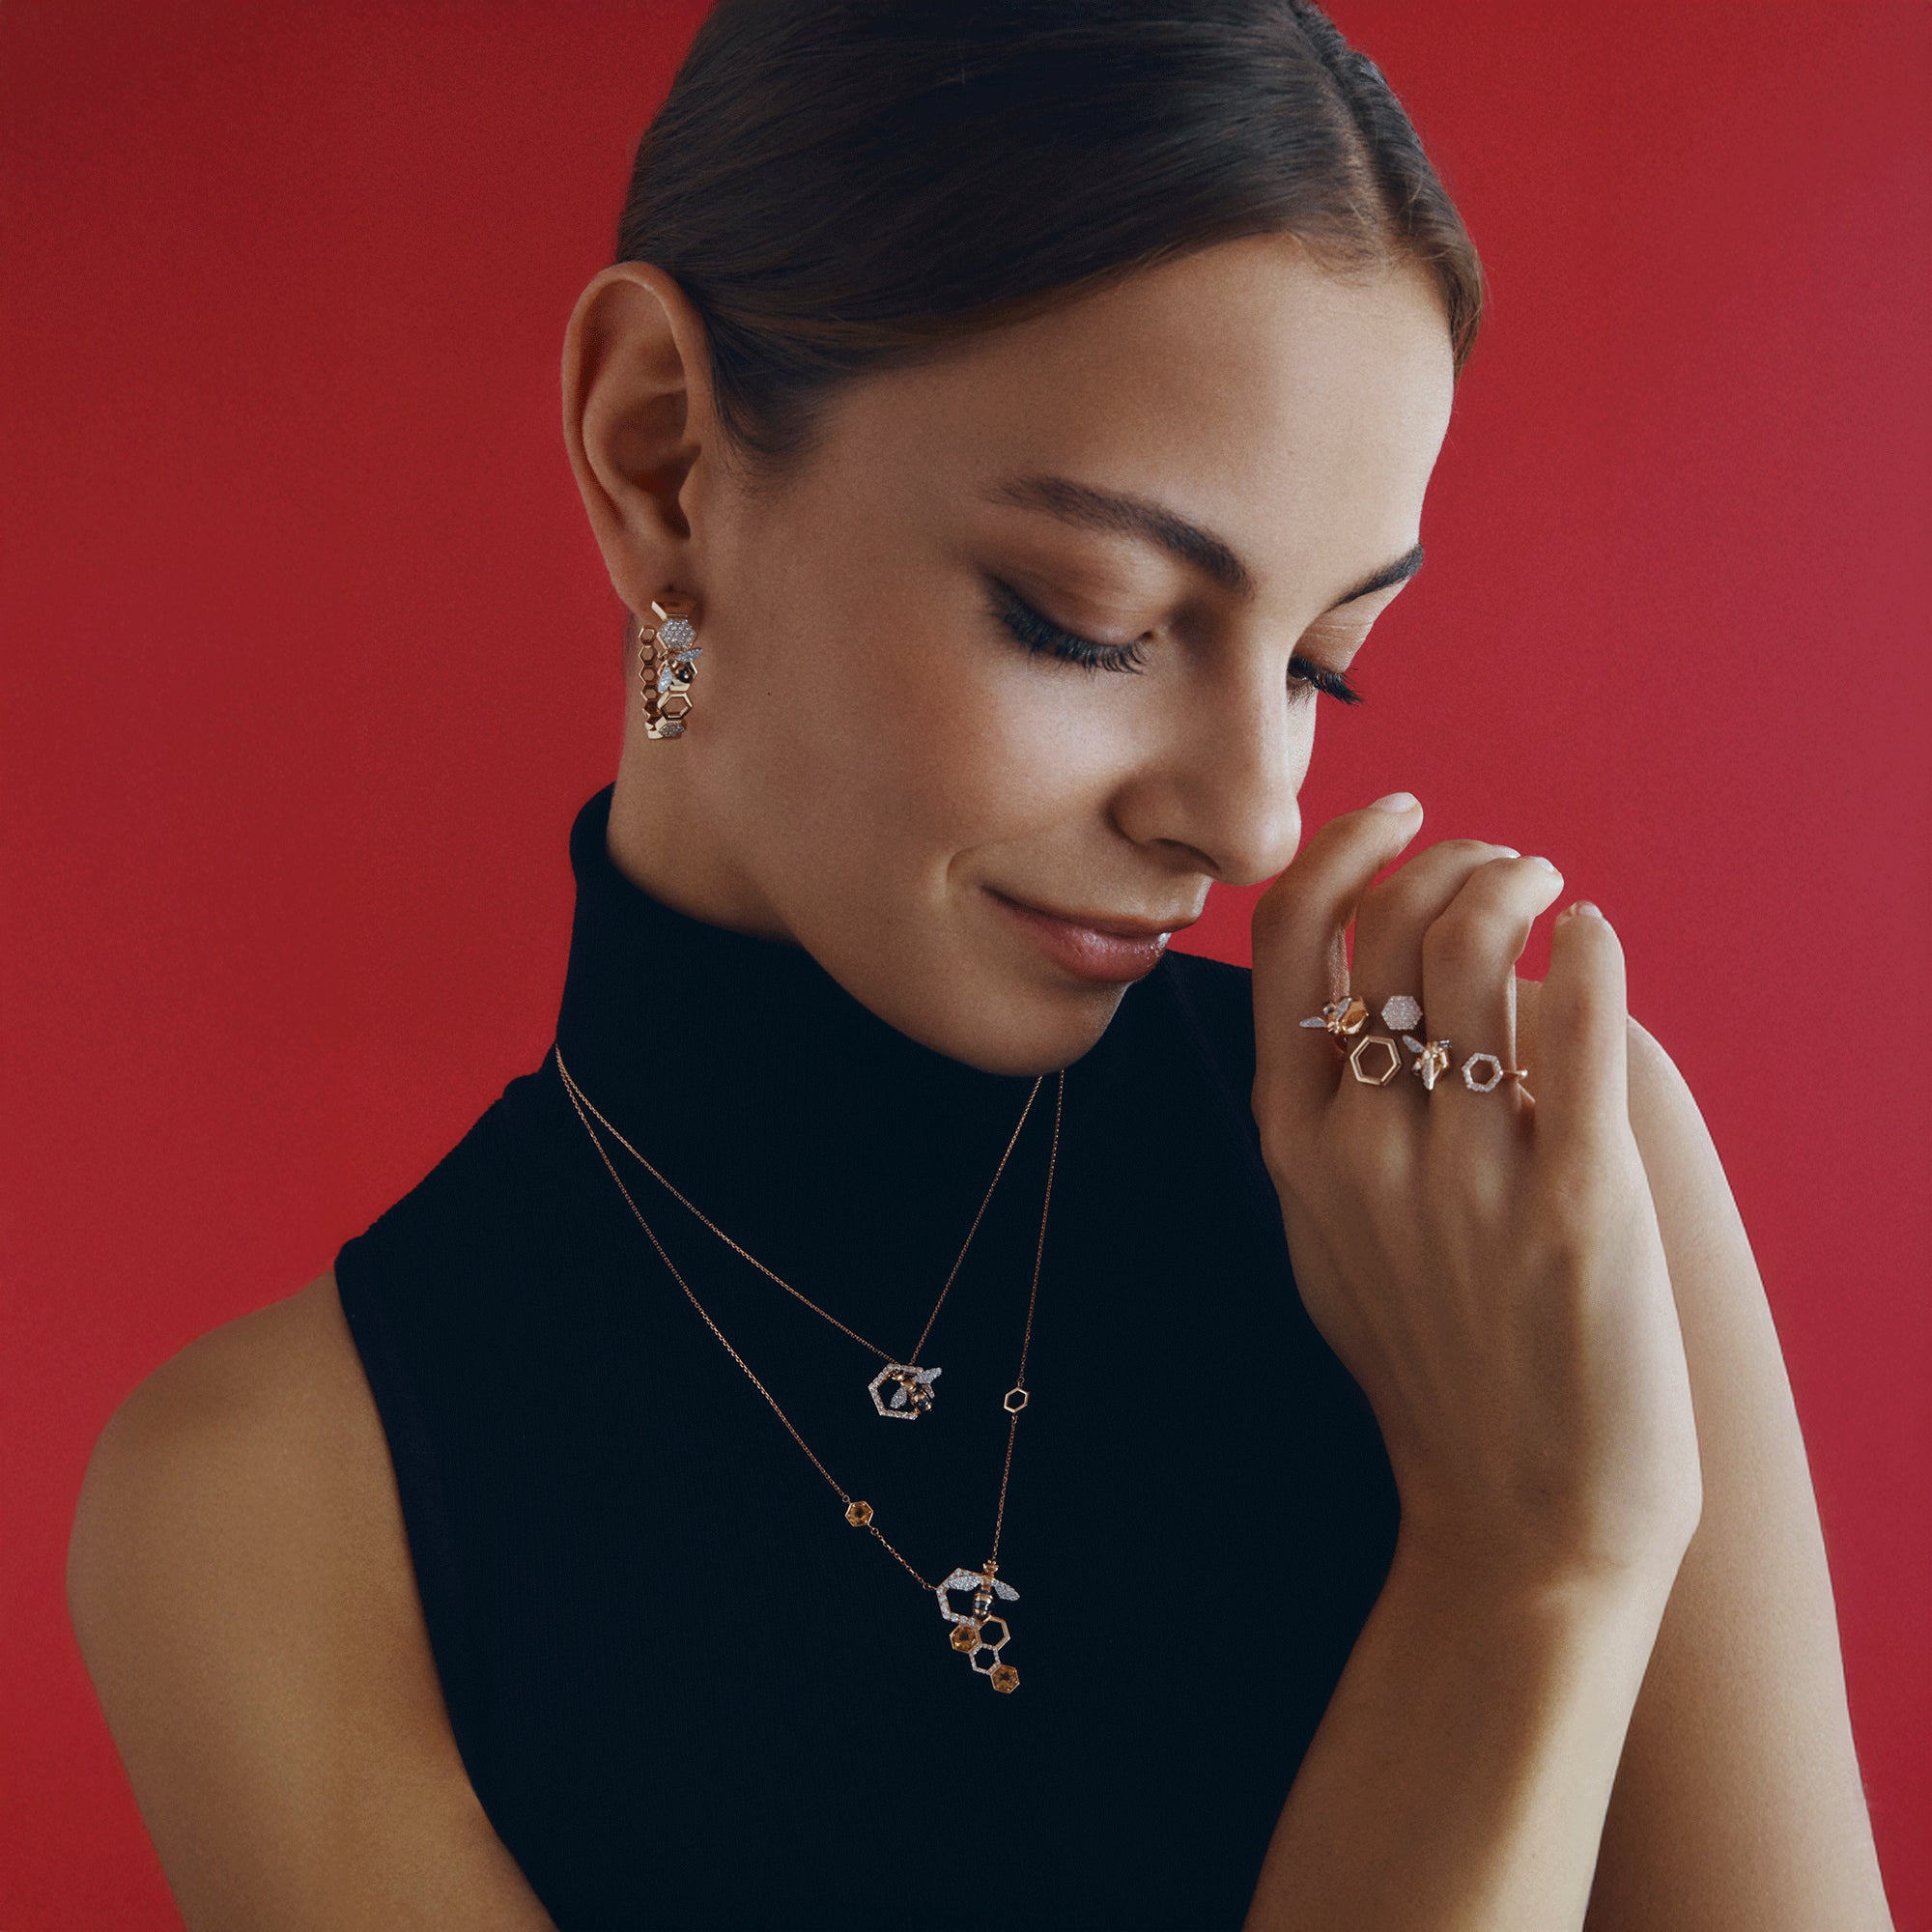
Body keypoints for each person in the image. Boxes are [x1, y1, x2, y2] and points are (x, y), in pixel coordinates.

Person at [64, 3, 1894, 1928]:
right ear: (662, 457)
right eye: (1086, 620)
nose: (1253, 821)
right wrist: (1525, 1571)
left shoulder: (1524, 1185)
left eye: (1319, 665)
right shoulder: (278, 1503)